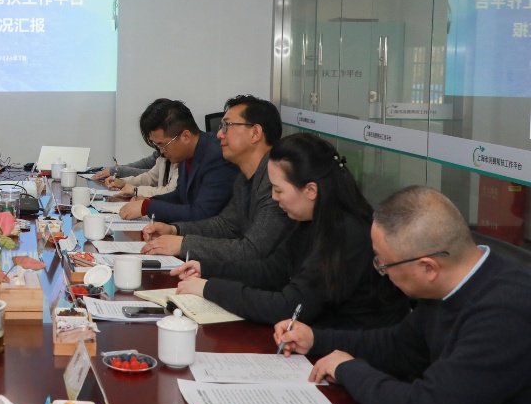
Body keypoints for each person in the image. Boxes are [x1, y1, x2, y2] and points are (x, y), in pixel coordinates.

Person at [275, 186, 531, 404]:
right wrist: (316, 339)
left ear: (428, 268)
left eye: (384, 264)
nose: (381, 272)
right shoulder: (449, 283)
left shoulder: (505, 313)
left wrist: (348, 369)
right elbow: (398, 346)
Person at [171, 133, 408, 328]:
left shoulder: (346, 233)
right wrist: (207, 269)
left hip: (347, 351)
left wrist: (210, 288)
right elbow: (272, 270)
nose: (274, 198)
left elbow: (289, 306)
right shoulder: (310, 219)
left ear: (311, 190)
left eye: (278, 190)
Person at [141, 94, 293, 264]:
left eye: (227, 126)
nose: (219, 134)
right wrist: (175, 229)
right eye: (221, 127)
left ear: (255, 133)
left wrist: (184, 244)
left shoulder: (276, 182)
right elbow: (225, 225)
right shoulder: (244, 177)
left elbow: (252, 250)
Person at [113, 99, 237, 221]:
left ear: (185, 137)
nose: (161, 151)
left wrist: (148, 208)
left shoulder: (216, 156)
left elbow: (202, 212)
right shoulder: (185, 153)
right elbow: (180, 196)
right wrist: (149, 201)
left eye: (163, 145)